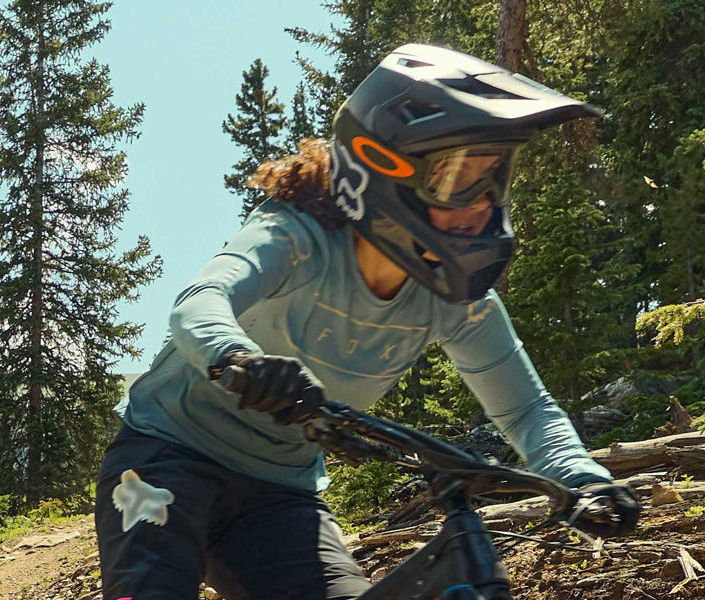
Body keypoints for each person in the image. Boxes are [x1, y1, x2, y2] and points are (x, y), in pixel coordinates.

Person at [94, 44, 644, 600]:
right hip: (163, 459)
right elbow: (202, 298)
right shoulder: (296, 237)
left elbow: (526, 410)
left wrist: (584, 480)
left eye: (493, 179)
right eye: (459, 179)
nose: (482, 204)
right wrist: (237, 358)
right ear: (383, 169)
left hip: (280, 495)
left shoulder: (456, 300)